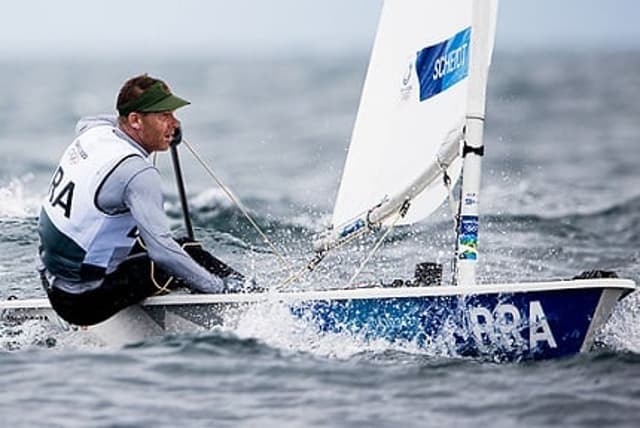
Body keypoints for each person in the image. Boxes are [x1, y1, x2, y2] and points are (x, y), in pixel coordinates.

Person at [38, 74, 245, 326]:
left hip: (51, 279)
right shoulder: (138, 173)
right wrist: (218, 289)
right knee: (185, 250)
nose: (175, 123)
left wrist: (163, 129)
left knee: (177, 249)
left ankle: (234, 294)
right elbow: (163, 254)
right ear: (135, 120)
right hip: (82, 303)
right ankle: (248, 303)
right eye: (164, 116)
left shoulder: (93, 132)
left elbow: (90, 120)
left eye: (172, 115)